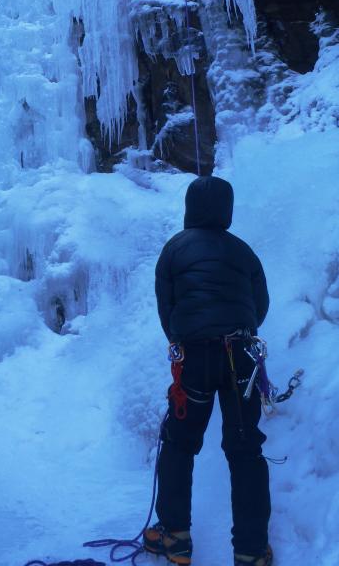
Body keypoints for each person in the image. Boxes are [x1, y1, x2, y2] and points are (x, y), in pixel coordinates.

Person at [143, 176, 272, 566]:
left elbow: (167, 307)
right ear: (226, 211)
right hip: (242, 356)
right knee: (245, 451)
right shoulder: (244, 252)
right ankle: (250, 551)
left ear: (189, 208)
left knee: (180, 443)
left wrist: (182, 337)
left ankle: (174, 536)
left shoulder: (175, 248)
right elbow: (259, 306)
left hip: (195, 357)